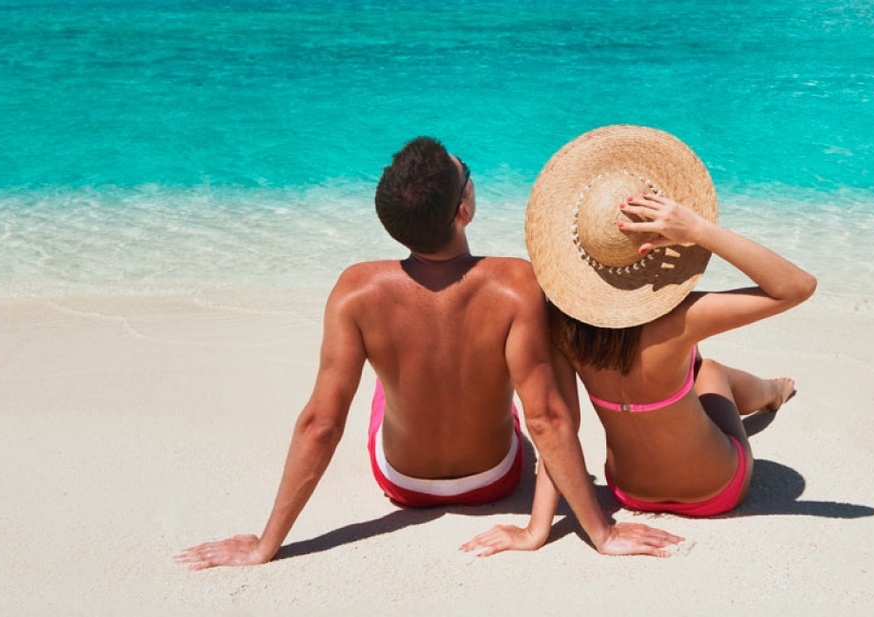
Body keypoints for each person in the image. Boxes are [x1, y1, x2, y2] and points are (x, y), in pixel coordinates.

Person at [176, 137, 680, 569]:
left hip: (402, 482)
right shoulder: (517, 282)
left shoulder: (355, 289)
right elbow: (546, 418)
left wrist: (267, 544)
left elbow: (321, 425)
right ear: (463, 211)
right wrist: (602, 532)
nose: (468, 175)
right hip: (494, 479)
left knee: (385, 380)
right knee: (502, 383)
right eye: (468, 175)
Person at [462, 126, 812, 556]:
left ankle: (770, 392)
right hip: (718, 489)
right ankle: (773, 393)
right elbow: (796, 287)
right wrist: (701, 230)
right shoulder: (681, 318)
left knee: (695, 370)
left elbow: (557, 426)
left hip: (628, 492)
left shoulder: (559, 325)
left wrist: (536, 530)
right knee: (712, 370)